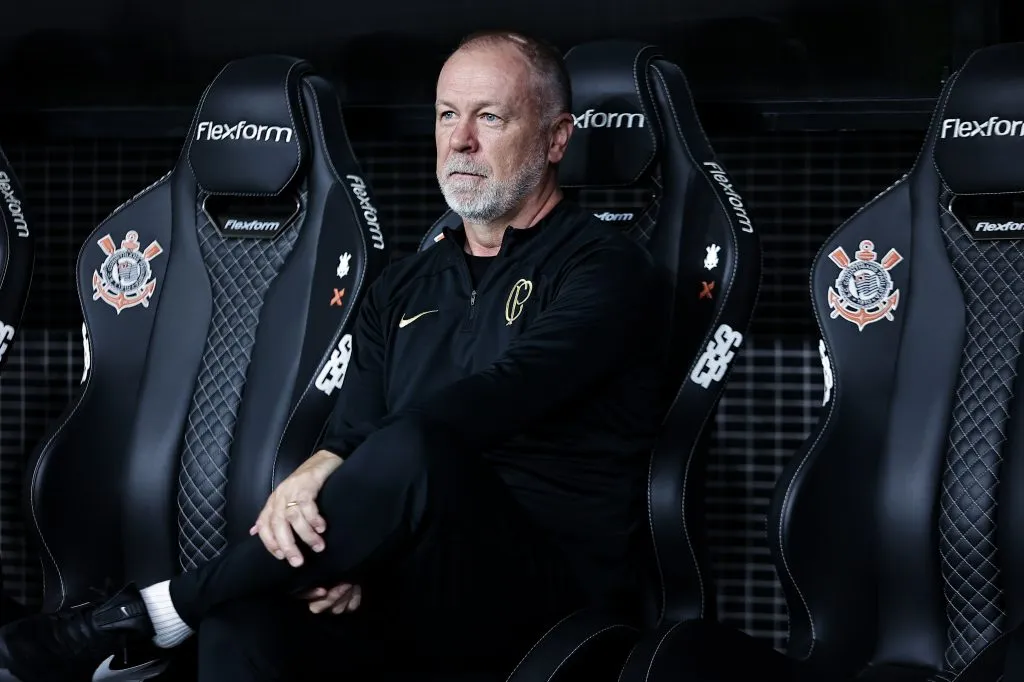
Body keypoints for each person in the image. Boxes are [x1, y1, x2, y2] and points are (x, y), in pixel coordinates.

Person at [0, 29, 667, 681]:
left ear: (557, 138)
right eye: (446, 116)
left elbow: (499, 396)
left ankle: (157, 609)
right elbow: (352, 431)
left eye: (490, 117)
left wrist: (345, 487)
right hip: (409, 577)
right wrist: (333, 528)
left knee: (416, 444)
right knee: (244, 625)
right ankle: (179, 611)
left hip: (543, 594)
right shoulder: (403, 285)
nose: (461, 140)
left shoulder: (607, 268)